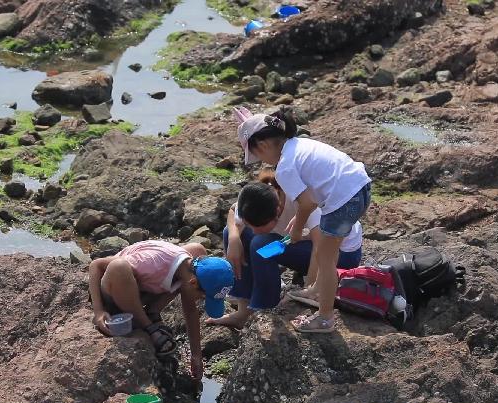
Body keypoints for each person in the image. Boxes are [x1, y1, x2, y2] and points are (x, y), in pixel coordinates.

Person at [238, 107, 373, 334]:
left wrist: (298, 229)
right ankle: (314, 289)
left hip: (344, 201)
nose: (262, 162)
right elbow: (309, 202)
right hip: (359, 188)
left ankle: (324, 317)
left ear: (262, 146)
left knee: (324, 257)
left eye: (258, 156)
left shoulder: (285, 168)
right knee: (324, 251)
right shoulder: (299, 146)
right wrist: (299, 226)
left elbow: (307, 204)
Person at [213, 166, 364, 328]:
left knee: (260, 244)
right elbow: (233, 211)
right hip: (301, 243)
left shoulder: (302, 201)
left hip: (342, 254)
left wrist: (309, 288)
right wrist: (234, 239)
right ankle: (244, 310)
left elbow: (320, 248)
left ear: (277, 212)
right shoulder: (261, 196)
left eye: (259, 226)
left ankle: (265, 306)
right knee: (234, 232)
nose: (254, 231)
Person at [88, 241, 235, 379]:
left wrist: (196, 355)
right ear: (194, 282)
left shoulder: (190, 267)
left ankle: (151, 312)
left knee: (197, 248)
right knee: (119, 267)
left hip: (143, 288)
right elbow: (96, 265)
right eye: (203, 296)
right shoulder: (150, 263)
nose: (201, 300)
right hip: (114, 288)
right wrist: (99, 311)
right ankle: (147, 325)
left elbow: (190, 311)